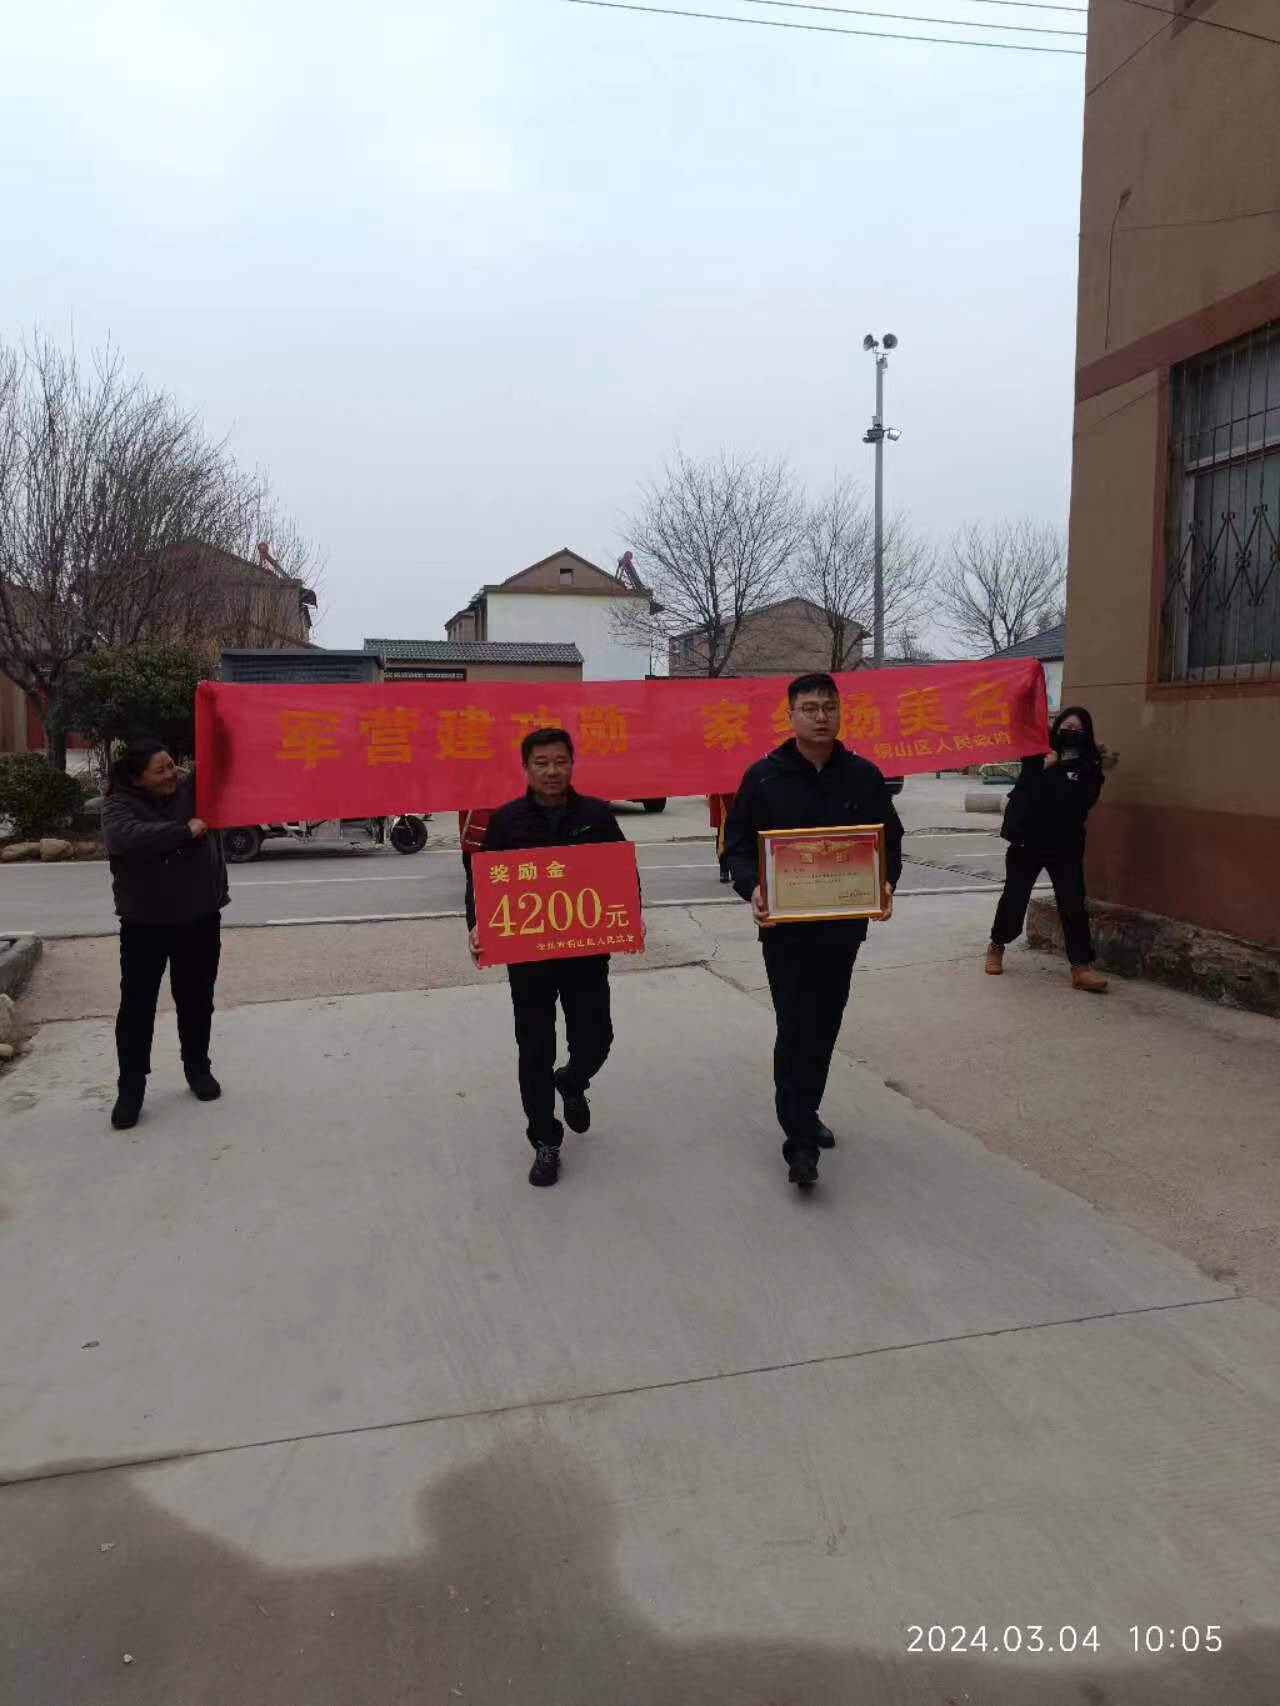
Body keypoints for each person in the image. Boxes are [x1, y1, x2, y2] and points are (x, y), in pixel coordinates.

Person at [724, 674, 903, 1188]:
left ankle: (807, 1109)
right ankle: (799, 1140)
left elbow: (890, 840)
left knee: (824, 1024)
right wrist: (753, 888)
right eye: (809, 708)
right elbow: (737, 846)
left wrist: (886, 882)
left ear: (841, 713)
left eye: (829, 707)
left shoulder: (864, 776)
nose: (821, 716)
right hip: (786, 931)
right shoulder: (764, 777)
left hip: (842, 927)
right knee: (795, 1024)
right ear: (790, 716)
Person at [466, 728, 628, 1188]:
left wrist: (627, 916)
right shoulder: (507, 821)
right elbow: (480, 882)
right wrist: (477, 924)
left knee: (596, 1039)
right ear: (526, 768)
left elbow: (621, 872)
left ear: (572, 764)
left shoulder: (596, 816)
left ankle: (573, 1081)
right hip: (529, 960)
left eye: (560, 761)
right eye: (542, 763)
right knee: (535, 1049)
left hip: (585, 956)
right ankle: (544, 1139)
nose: (552, 771)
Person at [101, 739, 229, 1131]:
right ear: (137, 777)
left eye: (172, 765)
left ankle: (197, 1067)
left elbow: (226, 760)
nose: (172, 774)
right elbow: (127, 838)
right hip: (145, 924)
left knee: (197, 999)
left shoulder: (191, 788)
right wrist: (184, 831)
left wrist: (223, 723)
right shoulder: (118, 805)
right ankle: (131, 1087)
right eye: (160, 770)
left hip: (199, 917)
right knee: (137, 1007)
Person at [986, 705, 1108, 992]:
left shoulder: (1090, 766)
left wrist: (1057, 770)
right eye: (1067, 727)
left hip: (1065, 845)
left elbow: (1080, 801)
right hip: (1027, 841)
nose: (1071, 733)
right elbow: (1025, 793)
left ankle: (1080, 967)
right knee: (1014, 898)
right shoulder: (1037, 754)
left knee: (1073, 904)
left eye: (1078, 729)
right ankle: (997, 945)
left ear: (1086, 734)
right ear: (1057, 727)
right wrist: (1045, 768)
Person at [708, 793, 734, 882]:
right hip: (720, 797)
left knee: (737, 832)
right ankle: (724, 868)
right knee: (722, 832)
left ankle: (734, 868)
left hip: (736, 795)